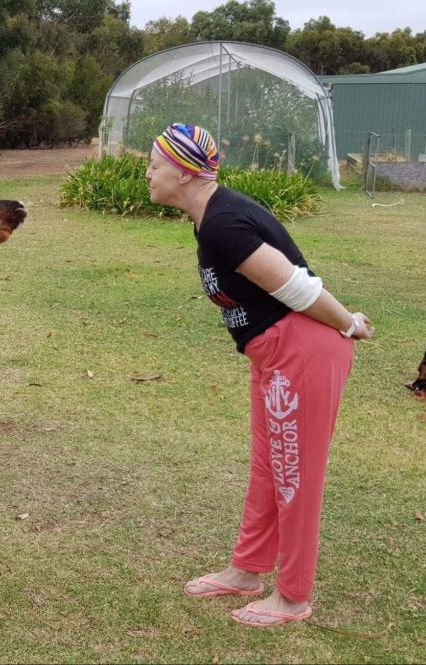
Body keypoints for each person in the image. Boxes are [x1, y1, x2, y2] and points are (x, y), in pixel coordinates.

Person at [145, 123, 375, 627]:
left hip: (302, 352)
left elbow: (295, 286)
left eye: (155, 165)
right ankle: (247, 571)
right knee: (270, 469)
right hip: (274, 354)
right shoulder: (209, 215)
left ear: (184, 173)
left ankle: (293, 597)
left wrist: (349, 324)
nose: (148, 173)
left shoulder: (223, 221)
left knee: (294, 477)